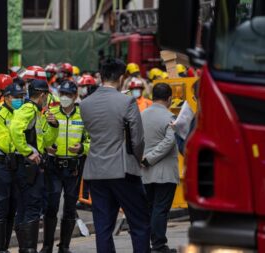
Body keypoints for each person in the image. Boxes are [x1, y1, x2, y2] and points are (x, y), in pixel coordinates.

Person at [80, 58, 150, 253]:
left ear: (101, 76)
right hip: (123, 169)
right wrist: (138, 159)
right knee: (139, 223)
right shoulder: (127, 100)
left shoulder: (85, 104)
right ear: (121, 78)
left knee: (103, 227)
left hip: (95, 171)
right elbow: (137, 139)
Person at [10, 79, 59, 252]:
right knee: (31, 207)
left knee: (25, 207)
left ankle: (25, 249)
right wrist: (28, 152)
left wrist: (53, 125)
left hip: (29, 166)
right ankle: (29, 249)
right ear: (43, 95)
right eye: (47, 96)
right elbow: (15, 129)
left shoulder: (36, 113)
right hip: (28, 167)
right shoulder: (28, 110)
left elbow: (46, 141)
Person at [40, 81, 89, 253]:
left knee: (70, 207)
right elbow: (41, 136)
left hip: (73, 168)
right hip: (54, 165)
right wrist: (46, 147)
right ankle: (47, 246)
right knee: (51, 206)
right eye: (62, 94)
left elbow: (91, 140)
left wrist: (83, 148)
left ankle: (65, 246)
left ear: (75, 96)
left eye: (68, 95)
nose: (65, 98)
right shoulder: (51, 113)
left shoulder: (83, 115)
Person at [140, 83, 179, 253]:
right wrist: (150, 158)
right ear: (169, 98)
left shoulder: (141, 115)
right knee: (160, 209)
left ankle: (146, 243)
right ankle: (159, 245)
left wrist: (142, 159)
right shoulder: (170, 117)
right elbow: (169, 142)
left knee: (149, 209)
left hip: (144, 172)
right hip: (164, 173)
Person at [0, 83, 26, 253]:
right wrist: (22, 145)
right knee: (2, 205)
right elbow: (3, 141)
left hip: (17, 162)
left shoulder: (21, 112)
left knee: (13, 206)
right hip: (2, 163)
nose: (19, 100)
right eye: (16, 97)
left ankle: (5, 247)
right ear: (7, 97)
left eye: (21, 96)